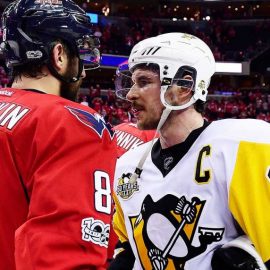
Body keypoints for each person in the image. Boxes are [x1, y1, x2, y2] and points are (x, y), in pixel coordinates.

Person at [109, 32, 270, 269]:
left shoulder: (243, 147)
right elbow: (127, 248)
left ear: (184, 87)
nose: (131, 94)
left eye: (143, 82)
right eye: (132, 83)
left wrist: (246, 254)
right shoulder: (128, 166)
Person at [0, 0, 117, 269]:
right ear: (59, 54)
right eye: (81, 56)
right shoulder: (70, 122)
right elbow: (64, 257)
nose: (84, 71)